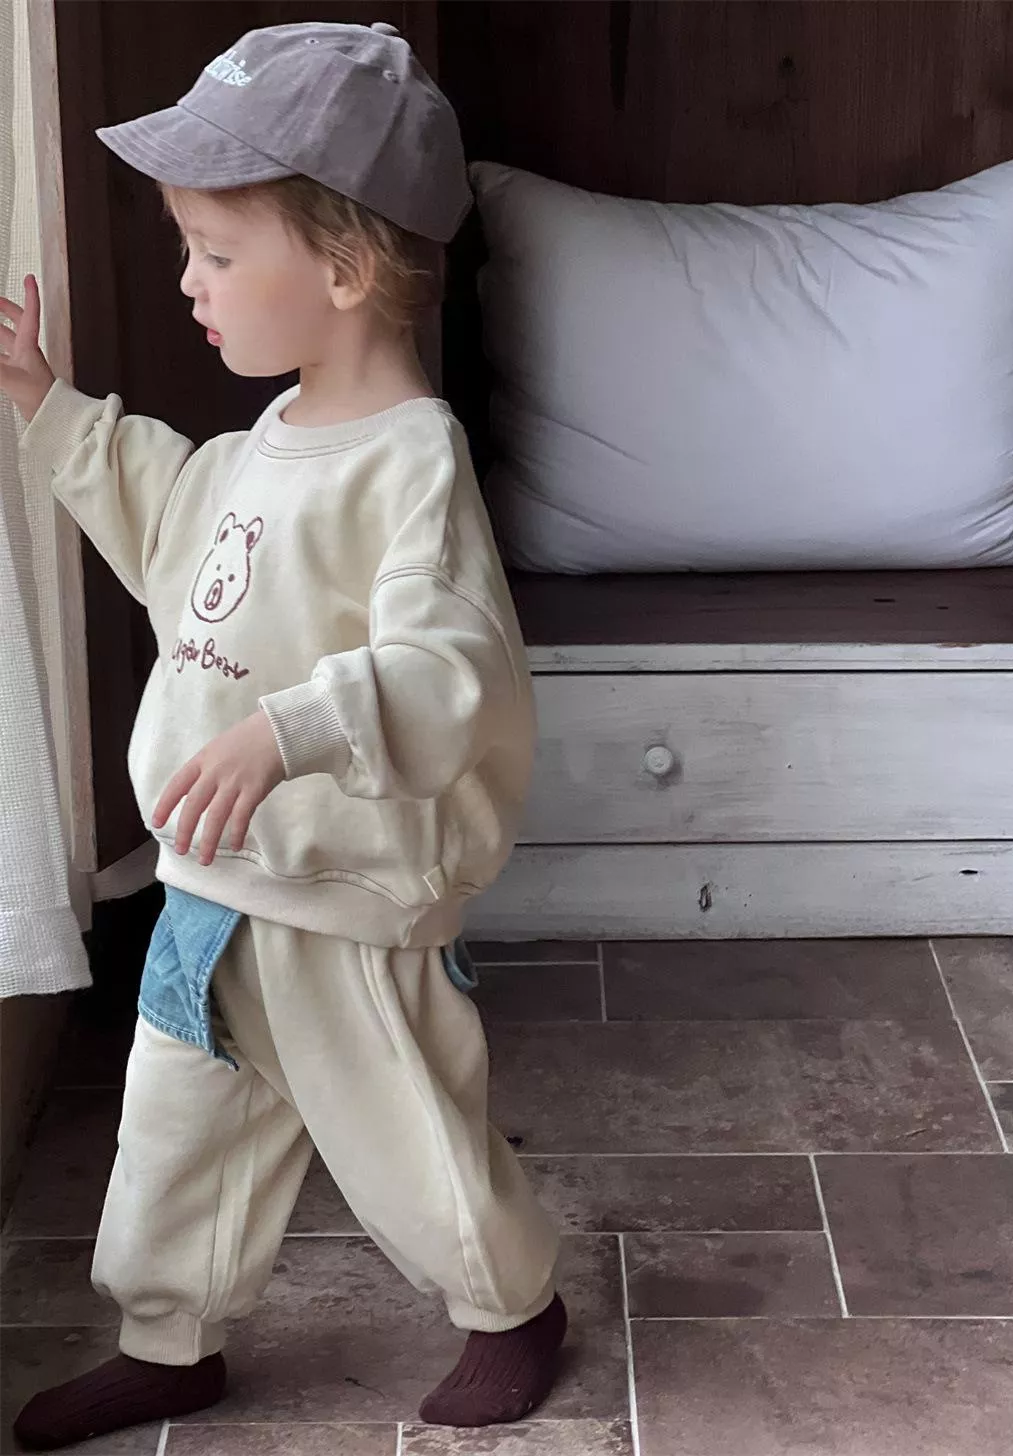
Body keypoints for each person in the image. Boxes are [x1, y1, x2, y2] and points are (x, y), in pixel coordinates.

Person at [0, 21, 564, 1450]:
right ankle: (167, 1339)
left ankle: (511, 1306)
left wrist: (288, 732)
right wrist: (45, 405)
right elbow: (173, 518)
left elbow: (450, 668)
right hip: (210, 885)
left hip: (333, 903)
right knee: (176, 1137)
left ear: (347, 267)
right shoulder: (268, 438)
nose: (188, 281)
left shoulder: (413, 461)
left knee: (403, 1133)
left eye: (213, 251)